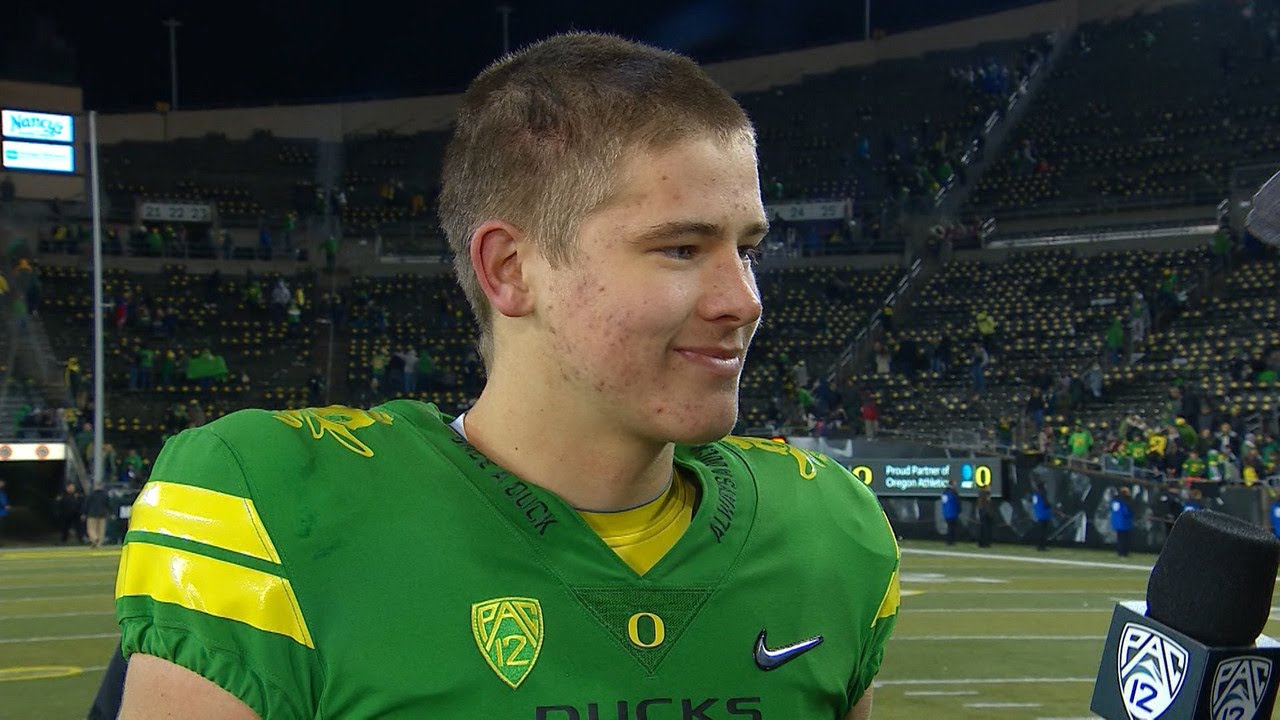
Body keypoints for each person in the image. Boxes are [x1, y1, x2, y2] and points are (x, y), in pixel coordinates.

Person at [108, 33, 900, 720]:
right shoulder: (279, 507)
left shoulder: (826, 529)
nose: (742, 301)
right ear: (511, 269)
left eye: (748, 249)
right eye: (682, 249)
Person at [83, 483, 111, 549]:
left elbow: (86, 504)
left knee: (91, 529)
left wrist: (84, 513)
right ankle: (99, 544)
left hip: (92, 514)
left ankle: (94, 538)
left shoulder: (91, 494)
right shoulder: (105, 495)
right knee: (101, 530)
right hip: (102, 514)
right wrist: (110, 513)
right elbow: (108, 504)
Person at [1110, 486, 1134, 557]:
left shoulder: (1115, 501)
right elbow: (1127, 512)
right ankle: (1124, 552)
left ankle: (1121, 552)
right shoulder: (1126, 501)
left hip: (1117, 522)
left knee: (1120, 538)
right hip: (1125, 522)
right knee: (1125, 538)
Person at [1032, 481, 1052, 550]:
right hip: (1044, 514)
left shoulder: (1035, 494)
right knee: (1043, 532)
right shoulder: (1043, 494)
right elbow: (1046, 504)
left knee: (1040, 531)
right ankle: (1042, 546)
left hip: (1038, 514)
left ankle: (1039, 545)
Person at [941, 480, 960, 545]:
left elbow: (944, 502)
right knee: (952, 528)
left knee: (949, 527)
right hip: (953, 512)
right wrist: (959, 510)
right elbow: (957, 502)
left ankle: (949, 541)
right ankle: (951, 541)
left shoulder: (944, 492)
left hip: (946, 512)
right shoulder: (953, 492)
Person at [0, 477, 9, 545]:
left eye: (3, 483)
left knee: (2, 528)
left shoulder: (2, 491)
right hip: (1, 512)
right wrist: (4, 506)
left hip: (2, 513)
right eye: (1, 482)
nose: (3, 484)